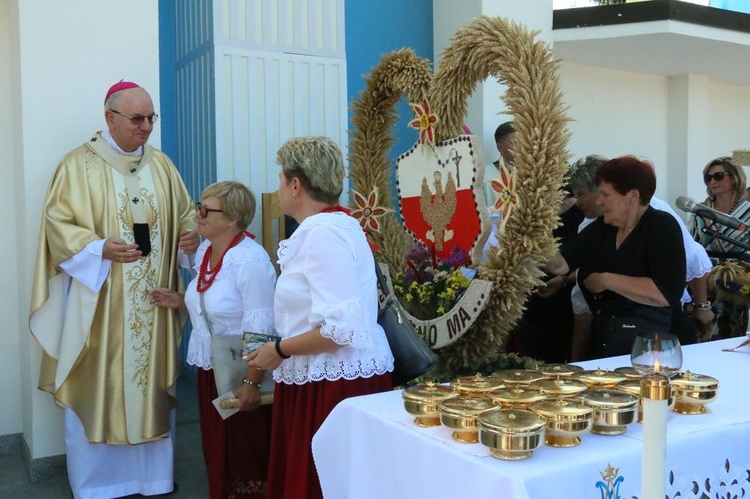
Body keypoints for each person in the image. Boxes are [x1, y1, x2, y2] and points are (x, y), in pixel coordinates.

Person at [29, 81, 199, 498]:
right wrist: (98, 248)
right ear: (110, 118)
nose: (146, 128)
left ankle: (152, 479)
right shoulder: (77, 166)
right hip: (100, 307)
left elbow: (187, 216)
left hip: (153, 303)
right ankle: (98, 485)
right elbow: (58, 226)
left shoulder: (162, 165)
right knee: (100, 386)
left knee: (151, 389)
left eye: (150, 119)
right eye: (137, 119)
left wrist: (190, 239)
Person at [245, 136, 394, 499]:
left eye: (280, 178)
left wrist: (278, 350)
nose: (278, 187)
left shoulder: (322, 234)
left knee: (321, 483)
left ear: (295, 185)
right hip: (329, 375)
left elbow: (339, 330)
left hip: (331, 383)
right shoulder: (339, 225)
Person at [149, 181, 276, 498]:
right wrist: (179, 300)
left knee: (244, 451)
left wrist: (250, 384)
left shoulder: (250, 261)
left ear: (232, 218)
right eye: (198, 206)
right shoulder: (207, 252)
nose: (198, 214)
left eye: (206, 209)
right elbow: (214, 301)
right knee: (220, 449)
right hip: (212, 367)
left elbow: (261, 328)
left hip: (241, 373)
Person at [545, 154, 712, 359]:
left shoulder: (661, 225)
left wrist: (606, 280)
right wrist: (535, 235)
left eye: (606, 195)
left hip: (659, 349)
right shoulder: (599, 229)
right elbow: (560, 265)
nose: (599, 201)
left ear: (632, 196)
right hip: (613, 344)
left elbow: (665, 293)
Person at [690, 156, 750, 340]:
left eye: (718, 176)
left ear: (734, 178)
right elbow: (692, 245)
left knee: (730, 334)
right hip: (705, 278)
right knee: (702, 332)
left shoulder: (747, 210)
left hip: (737, 280)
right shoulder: (700, 210)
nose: (712, 182)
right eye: (708, 178)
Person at [482, 120, 516, 208]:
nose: (522, 149)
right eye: (515, 143)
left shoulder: (532, 175)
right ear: (500, 148)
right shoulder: (485, 176)